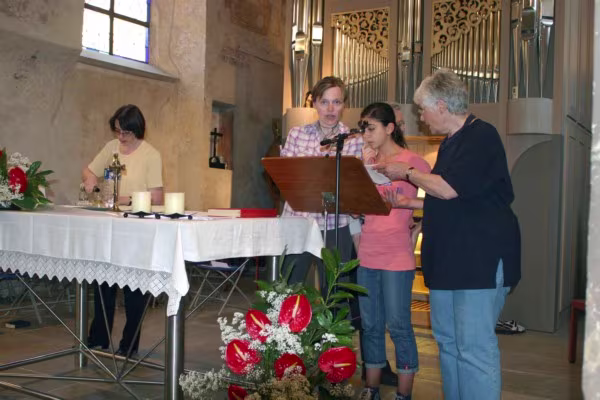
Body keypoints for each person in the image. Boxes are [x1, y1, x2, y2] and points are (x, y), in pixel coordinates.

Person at [377, 70, 521, 400]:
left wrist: (407, 172)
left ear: (441, 105)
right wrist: (412, 208)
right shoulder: (450, 143)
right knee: (448, 343)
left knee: (474, 348)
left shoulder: (481, 135)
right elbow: (452, 196)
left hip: (479, 260)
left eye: (423, 109)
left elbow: (448, 188)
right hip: (449, 261)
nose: (421, 116)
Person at [356, 103, 431, 400]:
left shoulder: (413, 162)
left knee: (399, 325)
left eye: (371, 128)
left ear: (389, 128)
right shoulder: (365, 163)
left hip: (397, 254)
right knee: (370, 325)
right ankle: (371, 388)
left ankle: (403, 394)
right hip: (368, 251)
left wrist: (418, 228)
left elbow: (438, 200)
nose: (365, 134)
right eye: (363, 128)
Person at [82, 104, 164, 357]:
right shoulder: (111, 147)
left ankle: (129, 344)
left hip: (137, 229)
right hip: (109, 226)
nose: (121, 137)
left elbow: (157, 197)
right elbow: (89, 170)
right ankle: (98, 337)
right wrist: (90, 178)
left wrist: (126, 198)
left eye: (125, 132)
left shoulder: (151, 154)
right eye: (117, 131)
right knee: (103, 282)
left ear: (137, 129)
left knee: (133, 290)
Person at [280, 76, 363, 293]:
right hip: (298, 220)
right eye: (324, 102)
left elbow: (352, 183)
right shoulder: (297, 134)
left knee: (336, 291)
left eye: (336, 102)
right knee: (289, 287)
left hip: (336, 222)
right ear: (315, 103)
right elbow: (286, 177)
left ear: (344, 105)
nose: (330, 109)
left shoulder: (354, 139)